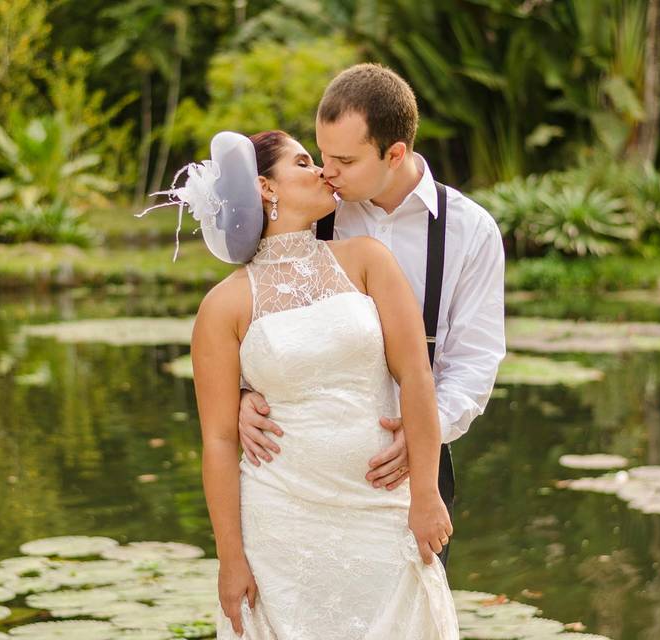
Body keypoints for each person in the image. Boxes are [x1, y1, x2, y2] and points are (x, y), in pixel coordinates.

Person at [146, 128, 460, 638]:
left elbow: (416, 376)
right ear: (265, 187)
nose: (322, 171)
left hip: (380, 512)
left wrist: (425, 492)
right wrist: (230, 559)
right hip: (281, 525)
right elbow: (221, 441)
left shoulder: (366, 260)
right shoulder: (222, 306)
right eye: (303, 162)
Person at [237, 64, 506, 566]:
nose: (326, 171)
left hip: (412, 473)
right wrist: (244, 393)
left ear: (395, 153)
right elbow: (251, 316)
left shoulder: (470, 231)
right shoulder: (308, 211)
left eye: (343, 159)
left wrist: (426, 431)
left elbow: (474, 359)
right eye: (320, 154)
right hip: (300, 469)